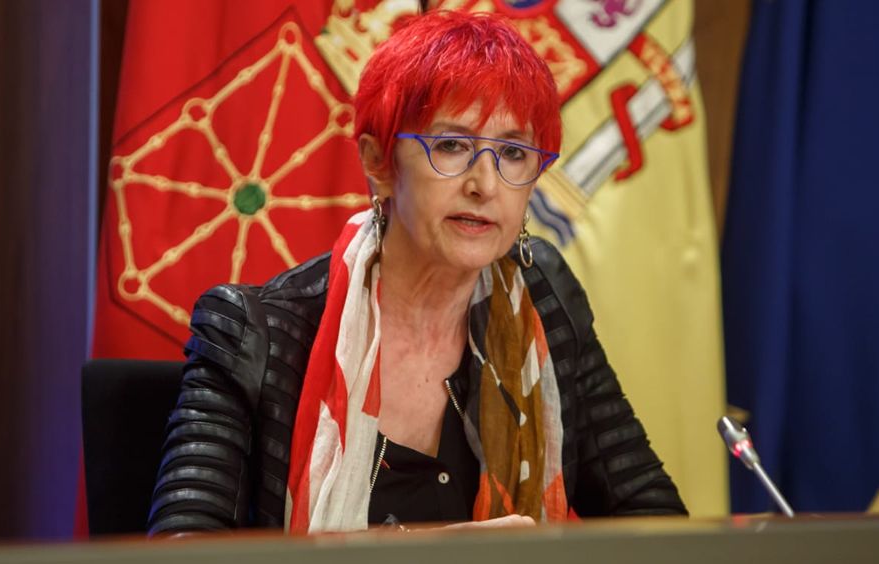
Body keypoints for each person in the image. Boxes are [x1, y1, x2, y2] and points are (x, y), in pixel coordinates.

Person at [147, 10, 686, 536]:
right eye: (451, 145)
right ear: (378, 163)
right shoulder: (254, 333)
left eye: (513, 153)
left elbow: (655, 521)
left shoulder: (543, 297)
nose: (485, 185)